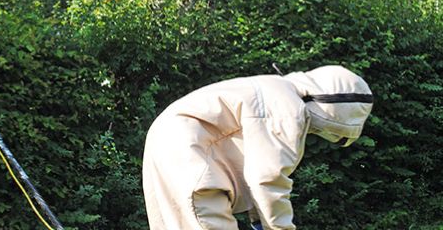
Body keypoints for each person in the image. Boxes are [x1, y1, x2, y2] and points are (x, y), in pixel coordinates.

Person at [142, 65, 374, 230]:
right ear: (337, 112)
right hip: (190, 152)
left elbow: (255, 170)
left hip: (170, 142)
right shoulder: (287, 107)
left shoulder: (272, 89)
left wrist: (258, 221)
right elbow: (267, 179)